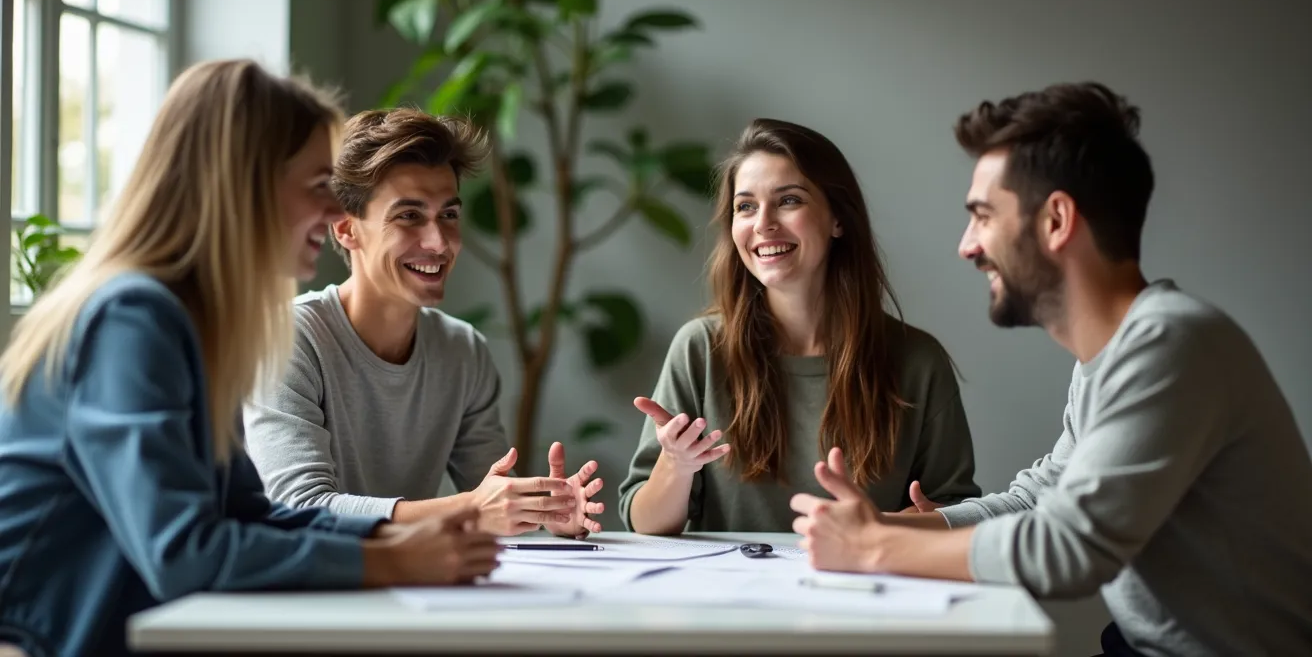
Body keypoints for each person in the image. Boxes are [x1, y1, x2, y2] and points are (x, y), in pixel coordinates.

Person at [789, 82, 1312, 656]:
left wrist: (870, 550)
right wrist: (885, 526)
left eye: (983, 216)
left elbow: (1067, 549)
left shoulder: (1170, 343)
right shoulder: (1112, 358)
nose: (967, 246)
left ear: (1057, 220)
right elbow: (1037, 500)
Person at [0, 61, 502, 657]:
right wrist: (387, 560)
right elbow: (183, 553)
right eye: (317, 184)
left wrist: (397, 532)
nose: (332, 209)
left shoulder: (196, 322)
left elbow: (249, 514)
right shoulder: (134, 316)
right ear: (247, 185)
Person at [242, 107, 604, 538]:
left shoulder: (463, 349)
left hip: (411, 588)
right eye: (409, 216)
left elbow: (490, 500)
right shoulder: (288, 339)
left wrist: (542, 514)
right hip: (297, 594)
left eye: (448, 215)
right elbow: (301, 508)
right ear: (345, 229)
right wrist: (471, 508)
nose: (438, 243)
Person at [618, 118, 981, 534]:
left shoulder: (917, 360)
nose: (763, 224)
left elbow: (959, 516)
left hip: (863, 591)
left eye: (789, 200)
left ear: (838, 220)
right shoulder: (700, 349)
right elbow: (644, 525)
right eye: (746, 206)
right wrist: (677, 466)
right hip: (730, 597)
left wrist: (918, 522)